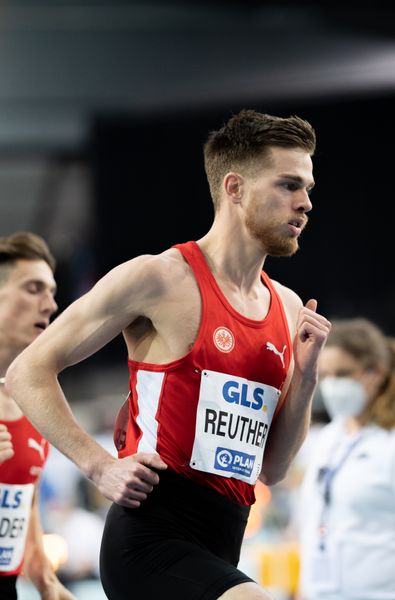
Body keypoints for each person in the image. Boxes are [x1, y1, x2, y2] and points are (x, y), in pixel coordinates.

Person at [5, 109, 331, 600]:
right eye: (289, 185)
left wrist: (304, 381)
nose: (305, 203)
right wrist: (99, 466)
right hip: (150, 539)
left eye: (308, 188)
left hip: (224, 542)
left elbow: (273, 468)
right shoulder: (158, 279)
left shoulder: (286, 308)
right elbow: (28, 369)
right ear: (234, 187)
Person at [297, 317, 395, 600]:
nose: (331, 385)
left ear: (375, 374)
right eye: (325, 375)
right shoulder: (328, 438)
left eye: (342, 374)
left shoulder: (394, 442)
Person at [0, 232, 76, 600]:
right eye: (33, 289)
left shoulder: (34, 401)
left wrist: (47, 583)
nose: (50, 305)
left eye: (51, 291)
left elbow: (22, 502)